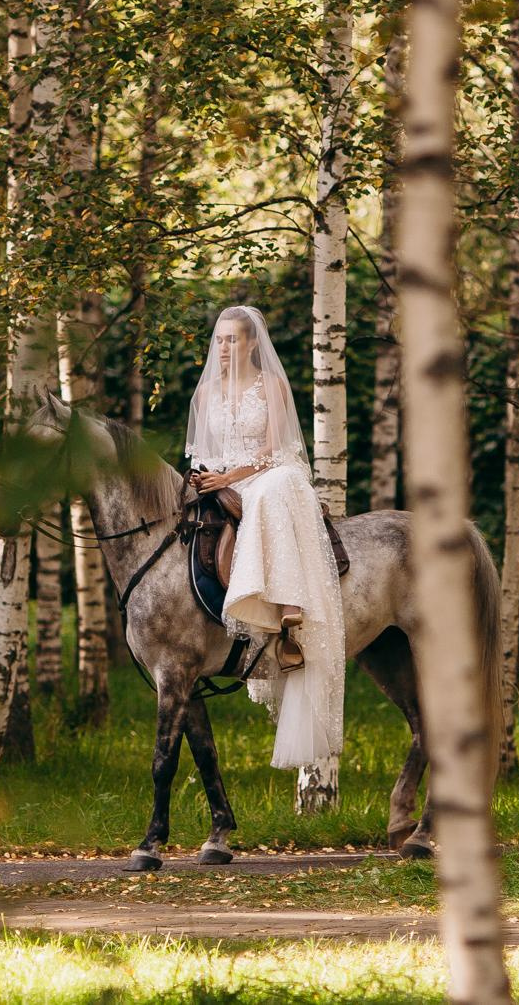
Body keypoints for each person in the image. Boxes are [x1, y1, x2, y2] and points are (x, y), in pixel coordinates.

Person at [181, 305, 345, 772]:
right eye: (219, 340)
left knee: (274, 490)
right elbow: (203, 452)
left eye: (233, 340)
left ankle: (289, 605)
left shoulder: (270, 385)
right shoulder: (205, 392)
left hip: (269, 475)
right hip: (223, 481)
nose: (224, 348)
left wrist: (230, 476)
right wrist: (205, 478)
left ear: (253, 343)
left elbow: (276, 449)